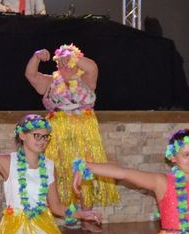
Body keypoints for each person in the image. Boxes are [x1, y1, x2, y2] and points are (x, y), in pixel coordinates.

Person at [25, 43, 119, 216]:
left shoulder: (86, 79)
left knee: (84, 169)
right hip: (57, 132)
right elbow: (30, 75)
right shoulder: (50, 81)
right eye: (60, 61)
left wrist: (71, 56)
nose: (64, 64)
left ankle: (87, 215)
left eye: (68, 60)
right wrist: (37, 56)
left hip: (84, 130)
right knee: (57, 170)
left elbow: (92, 66)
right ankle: (58, 213)